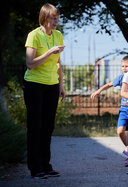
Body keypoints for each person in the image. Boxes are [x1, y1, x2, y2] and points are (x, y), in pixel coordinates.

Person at [23, 3, 65, 179]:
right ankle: (35, 168)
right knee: (35, 126)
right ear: (44, 18)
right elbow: (30, 63)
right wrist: (49, 52)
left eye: (57, 18)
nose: (55, 21)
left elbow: (58, 63)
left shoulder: (58, 35)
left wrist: (61, 85)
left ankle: (46, 165)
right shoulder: (34, 35)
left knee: (48, 126)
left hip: (52, 85)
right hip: (34, 85)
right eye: (52, 18)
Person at [90, 56, 128, 151]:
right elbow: (109, 84)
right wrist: (98, 91)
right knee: (120, 132)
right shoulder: (121, 78)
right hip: (124, 109)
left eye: (127, 66)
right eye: (122, 66)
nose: (124, 68)